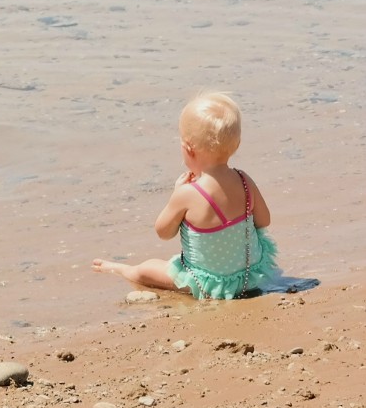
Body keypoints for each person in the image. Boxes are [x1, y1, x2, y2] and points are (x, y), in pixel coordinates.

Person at [92, 92, 278, 299]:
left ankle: (121, 269)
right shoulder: (244, 180)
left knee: (147, 269)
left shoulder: (187, 194)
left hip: (207, 282)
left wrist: (176, 194)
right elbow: (264, 221)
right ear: (237, 144)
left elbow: (163, 231)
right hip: (248, 276)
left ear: (188, 149)